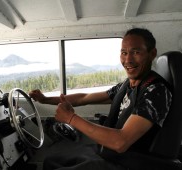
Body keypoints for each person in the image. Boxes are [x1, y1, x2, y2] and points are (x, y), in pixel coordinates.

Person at [29, 28, 172, 170]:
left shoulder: (156, 91)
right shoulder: (128, 85)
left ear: (152, 54)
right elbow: (84, 98)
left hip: (127, 162)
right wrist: (46, 100)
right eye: (124, 53)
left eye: (136, 52)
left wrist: (71, 119)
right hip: (108, 153)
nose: (128, 60)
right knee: (50, 161)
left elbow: (120, 142)